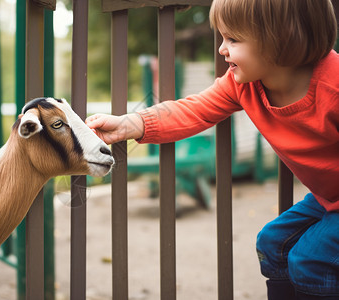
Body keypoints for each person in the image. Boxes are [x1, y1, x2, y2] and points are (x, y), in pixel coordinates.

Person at [85, 0, 339, 299]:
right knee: (272, 243)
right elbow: (194, 110)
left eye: (233, 38)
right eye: (222, 37)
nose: (222, 48)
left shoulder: (332, 86)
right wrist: (130, 124)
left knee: (311, 260)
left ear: (280, 38)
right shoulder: (242, 85)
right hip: (327, 199)